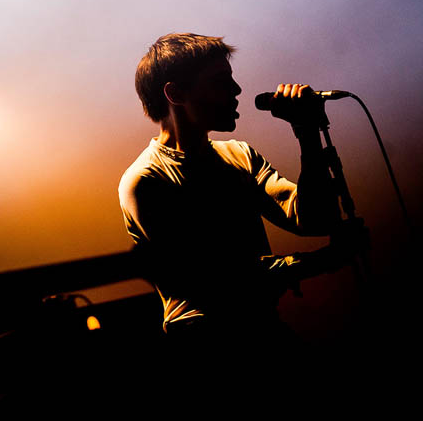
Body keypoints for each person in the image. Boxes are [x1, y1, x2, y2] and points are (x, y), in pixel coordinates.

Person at [117, 33, 363, 388]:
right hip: (206, 349)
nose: (237, 90)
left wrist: (306, 132)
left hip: (259, 331)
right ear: (176, 94)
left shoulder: (239, 154)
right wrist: (320, 261)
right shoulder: (145, 181)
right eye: (221, 82)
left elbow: (313, 219)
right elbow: (216, 282)